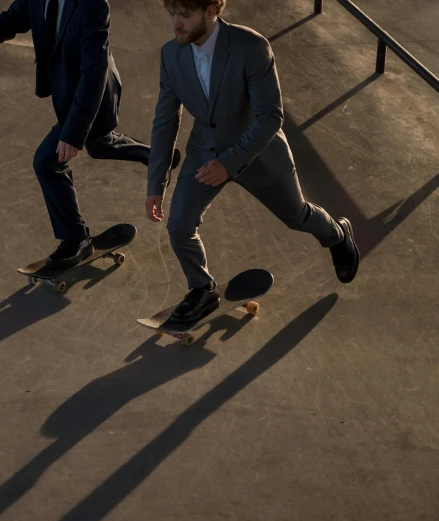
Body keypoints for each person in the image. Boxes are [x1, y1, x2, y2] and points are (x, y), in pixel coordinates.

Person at [146, 0, 359, 323]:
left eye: (185, 15)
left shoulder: (251, 46)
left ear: (210, 10)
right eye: (173, 14)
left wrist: (229, 164)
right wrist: (155, 184)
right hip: (205, 154)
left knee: (297, 216)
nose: (176, 23)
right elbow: (165, 121)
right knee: (179, 226)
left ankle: (338, 235)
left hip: (259, 154)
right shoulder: (171, 54)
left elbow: (270, 116)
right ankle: (202, 289)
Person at [0, 0, 181, 267]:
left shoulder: (93, 5)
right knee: (100, 145)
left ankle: (76, 240)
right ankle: (160, 157)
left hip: (93, 97)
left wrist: (72, 133)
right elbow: (16, 16)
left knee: (46, 162)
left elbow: (94, 74)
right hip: (65, 88)